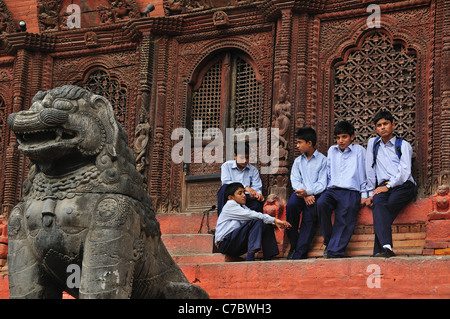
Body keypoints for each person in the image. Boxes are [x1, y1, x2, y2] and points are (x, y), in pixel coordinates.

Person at [366, 110, 416, 258]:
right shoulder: (373, 144)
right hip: (383, 187)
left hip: (403, 185)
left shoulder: (403, 145)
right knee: (378, 202)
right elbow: (370, 169)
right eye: (379, 125)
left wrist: (388, 186)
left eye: (385, 124)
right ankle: (387, 247)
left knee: (388, 206)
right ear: (376, 129)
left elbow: (405, 172)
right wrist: (370, 193)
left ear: (393, 125)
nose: (382, 127)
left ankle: (379, 249)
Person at [317, 121, 368, 258]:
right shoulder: (331, 150)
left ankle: (335, 251)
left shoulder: (359, 151)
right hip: (332, 190)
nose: (340, 141)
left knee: (344, 215)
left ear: (352, 137)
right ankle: (329, 241)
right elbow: (328, 172)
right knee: (322, 204)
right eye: (338, 137)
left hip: (351, 190)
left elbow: (363, 173)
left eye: (344, 137)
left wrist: (364, 194)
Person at [214, 183, 291, 261]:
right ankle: (250, 258)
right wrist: (274, 220)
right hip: (225, 244)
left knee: (265, 223)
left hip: (235, 242)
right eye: (240, 193)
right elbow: (252, 215)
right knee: (257, 221)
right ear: (231, 197)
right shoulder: (230, 206)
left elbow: (256, 216)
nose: (244, 195)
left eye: (244, 192)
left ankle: (268, 257)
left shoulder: (243, 206)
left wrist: (273, 221)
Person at [285, 127, 327, 259]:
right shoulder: (298, 161)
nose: (297, 146)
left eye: (299, 142)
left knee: (309, 219)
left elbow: (322, 183)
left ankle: (298, 253)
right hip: (300, 194)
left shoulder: (323, 160)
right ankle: (293, 243)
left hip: (315, 195)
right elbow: (295, 180)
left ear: (309, 143)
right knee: (291, 207)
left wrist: (308, 192)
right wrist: (304, 194)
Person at [217, 141, 265, 215]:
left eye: (247, 157)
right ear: (235, 156)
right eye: (242, 157)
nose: (245, 160)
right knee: (223, 189)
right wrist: (245, 187)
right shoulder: (226, 166)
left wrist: (258, 194)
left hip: (246, 198)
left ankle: (249, 225)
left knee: (257, 204)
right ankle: (222, 218)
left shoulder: (253, 170)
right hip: (232, 197)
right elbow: (226, 182)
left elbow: (257, 187)